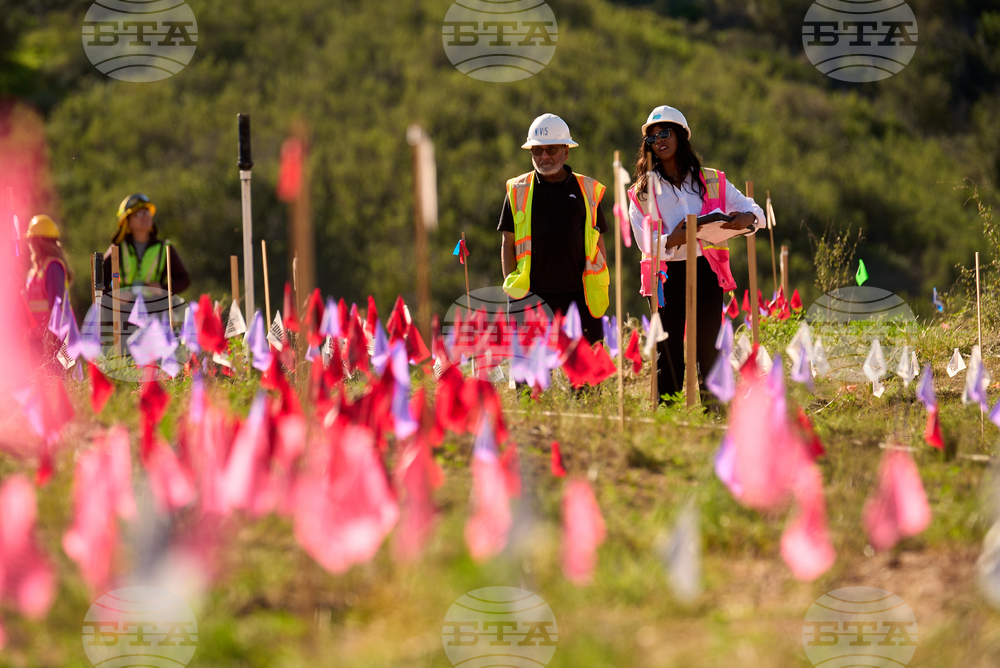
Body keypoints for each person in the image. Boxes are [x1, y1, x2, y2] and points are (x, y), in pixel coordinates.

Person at [627, 105, 764, 405]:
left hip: (706, 271)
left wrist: (747, 220)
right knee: (669, 347)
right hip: (666, 276)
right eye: (652, 137)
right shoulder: (642, 192)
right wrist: (673, 238)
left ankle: (714, 409)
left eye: (665, 133)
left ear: (681, 137)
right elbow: (644, 243)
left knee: (709, 346)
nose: (659, 140)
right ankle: (669, 413)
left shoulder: (711, 179)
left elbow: (755, 211)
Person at [498, 113, 610, 344]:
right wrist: (512, 284)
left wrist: (599, 282)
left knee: (587, 375)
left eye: (552, 149)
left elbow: (598, 243)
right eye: (537, 151)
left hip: (580, 297)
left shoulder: (587, 190)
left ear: (566, 151)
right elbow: (507, 242)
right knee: (530, 376)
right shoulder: (518, 190)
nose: (544, 156)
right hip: (531, 296)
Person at [103, 193, 190, 295]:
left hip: (155, 310)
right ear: (128, 222)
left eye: (147, 212)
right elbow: (99, 285)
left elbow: (184, 280)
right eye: (139, 214)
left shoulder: (165, 248)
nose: (145, 217)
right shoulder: (116, 250)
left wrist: (162, 289)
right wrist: (115, 296)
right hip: (125, 311)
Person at [23, 214, 72, 342]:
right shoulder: (37, 270)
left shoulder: (53, 268)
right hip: (36, 338)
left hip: (51, 341)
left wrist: (51, 341)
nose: (30, 244)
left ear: (38, 241)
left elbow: (56, 307)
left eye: (31, 240)